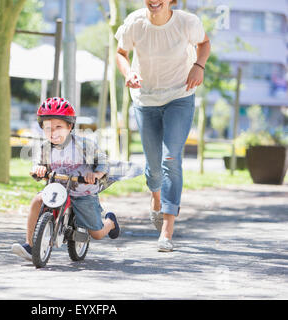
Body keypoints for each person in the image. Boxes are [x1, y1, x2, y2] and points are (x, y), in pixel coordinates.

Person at [115, 0, 211, 252]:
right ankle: (155, 196)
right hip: (145, 99)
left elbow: (204, 43)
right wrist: (128, 74)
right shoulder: (134, 23)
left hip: (180, 95)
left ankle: (167, 231)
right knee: (154, 165)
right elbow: (120, 53)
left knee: (171, 158)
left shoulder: (186, 22)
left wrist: (198, 66)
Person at [11, 97, 120, 261]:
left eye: (58, 127)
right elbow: (40, 166)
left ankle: (110, 222)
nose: (53, 132)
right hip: (57, 189)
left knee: (96, 233)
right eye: (48, 128)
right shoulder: (45, 148)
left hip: (83, 192)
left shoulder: (84, 145)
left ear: (70, 126)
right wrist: (39, 169)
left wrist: (95, 175)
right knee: (37, 200)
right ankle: (30, 245)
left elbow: (103, 161)